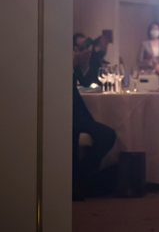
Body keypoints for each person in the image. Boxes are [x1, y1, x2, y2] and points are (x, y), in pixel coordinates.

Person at [72, 37, 116, 200]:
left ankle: (82, 176)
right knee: (72, 133)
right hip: (63, 115)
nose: (86, 49)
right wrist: (74, 61)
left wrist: (82, 63)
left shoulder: (80, 63)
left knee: (108, 135)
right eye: (81, 46)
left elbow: (87, 82)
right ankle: (76, 182)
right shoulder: (61, 60)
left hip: (79, 116)